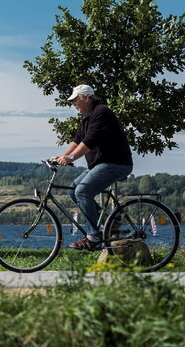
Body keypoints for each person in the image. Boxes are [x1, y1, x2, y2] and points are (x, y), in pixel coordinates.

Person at [53, 84, 133, 251]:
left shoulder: (101, 112)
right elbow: (77, 140)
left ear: (86, 98)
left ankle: (93, 237)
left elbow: (90, 141)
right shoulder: (87, 116)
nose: (73, 104)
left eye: (75, 100)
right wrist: (62, 156)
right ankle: (112, 220)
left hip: (115, 163)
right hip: (100, 164)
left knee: (82, 191)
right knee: (72, 190)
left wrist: (71, 158)